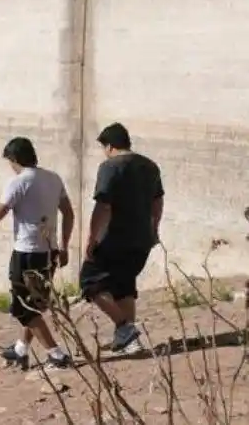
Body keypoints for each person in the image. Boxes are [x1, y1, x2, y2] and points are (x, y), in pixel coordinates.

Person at [0, 137, 75, 370]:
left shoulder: (18, 182)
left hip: (26, 253)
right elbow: (69, 213)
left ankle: (57, 354)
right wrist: (63, 247)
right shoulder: (53, 178)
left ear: (14, 159)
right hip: (49, 252)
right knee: (35, 305)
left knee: (23, 308)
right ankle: (21, 350)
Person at [80, 122, 164, 354]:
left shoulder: (110, 166)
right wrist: (154, 228)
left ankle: (125, 329)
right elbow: (157, 202)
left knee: (90, 282)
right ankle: (128, 342)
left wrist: (92, 238)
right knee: (124, 285)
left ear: (109, 146)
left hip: (114, 238)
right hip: (141, 239)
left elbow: (104, 206)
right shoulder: (150, 166)